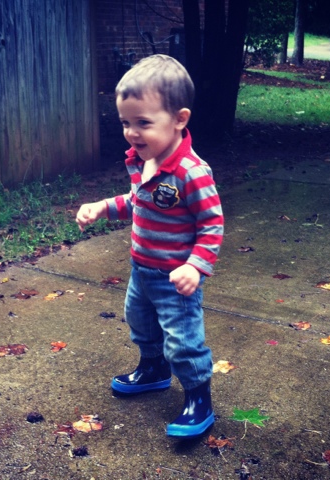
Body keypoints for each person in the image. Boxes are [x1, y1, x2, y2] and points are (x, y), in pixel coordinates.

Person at [76, 54, 224, 438]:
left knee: (183, 341)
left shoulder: (191, 172)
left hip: (175, 280)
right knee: (140, 323)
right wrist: (102, 207)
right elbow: (136, 201)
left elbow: (212, 224)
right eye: (125, 122)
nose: (131, 133)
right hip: (141, 270)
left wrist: (195, 266)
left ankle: (198, 399)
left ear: (179, 119)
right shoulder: (144, 161)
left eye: (143, 123)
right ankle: (154, 369)